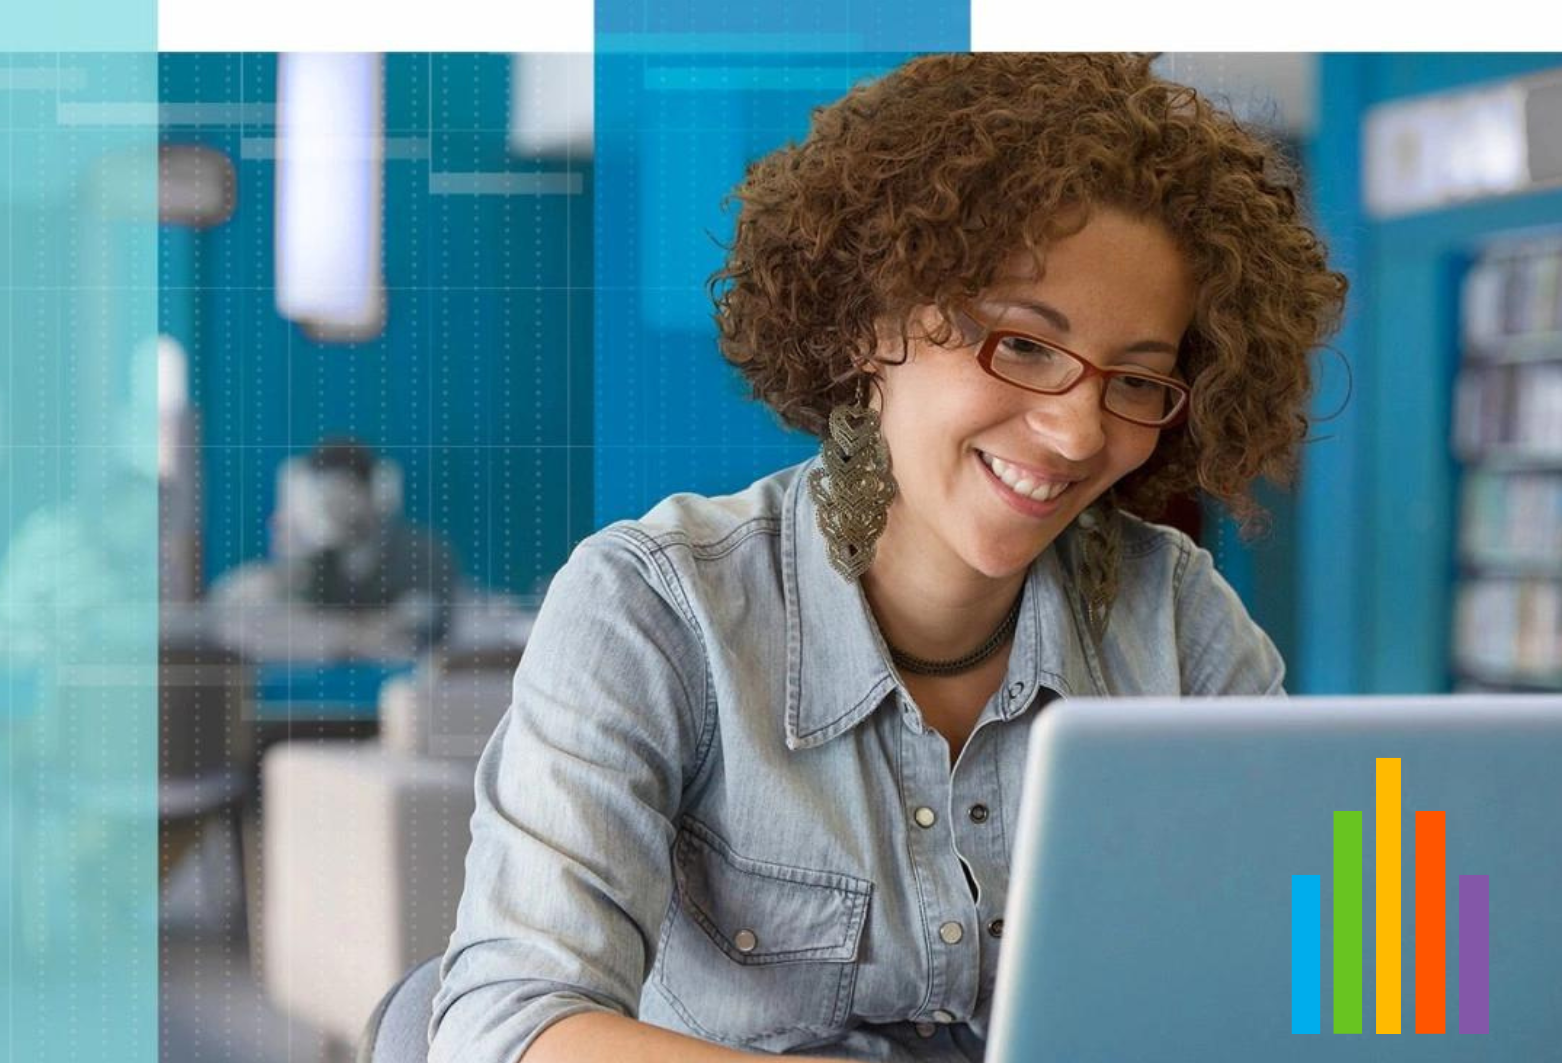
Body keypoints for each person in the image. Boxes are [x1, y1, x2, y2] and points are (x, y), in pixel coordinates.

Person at [429, 52, 1347, 1063]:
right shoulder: (656, 609)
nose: (1080, 431)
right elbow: (504, 1028)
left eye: (1135, 379)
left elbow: (1318, 972)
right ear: (872, 323)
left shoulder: (1175, 618)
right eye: (1024, 346)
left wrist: (1428, 971)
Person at [211, 436, 461, 656]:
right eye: (323, 498)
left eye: (341, 496)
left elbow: (420, 622)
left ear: (371, 492)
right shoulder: (318, 558)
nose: (331, 509)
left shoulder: (422, 552)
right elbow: (246, 608)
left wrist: (340, 633)